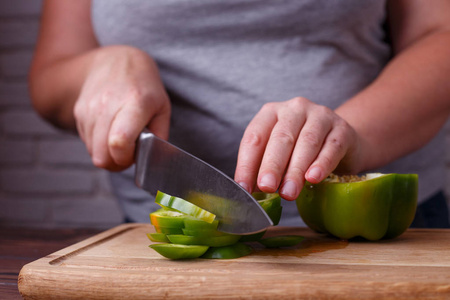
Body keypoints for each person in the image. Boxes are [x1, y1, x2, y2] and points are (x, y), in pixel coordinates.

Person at [29, 0, 450, 227]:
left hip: (384, 221)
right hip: (158, 230)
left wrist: (352, 133)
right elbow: (51, 75)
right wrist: (100, 66)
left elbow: (440, 34)